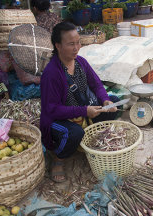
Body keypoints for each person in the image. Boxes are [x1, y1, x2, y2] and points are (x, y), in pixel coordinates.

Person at [40, 22, 120, 182]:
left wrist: (105, 100)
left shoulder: (81, 62)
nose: (77, 47)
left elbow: (96, 84)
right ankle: (58, 158)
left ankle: (89, 134)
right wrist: (84, 111)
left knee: (115, 103)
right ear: (58, 46)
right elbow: (52, 110)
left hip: (82, 110)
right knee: (74, 133)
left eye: (78, 42)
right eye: (71, 44)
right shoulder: (51, 73)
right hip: (58, 118)